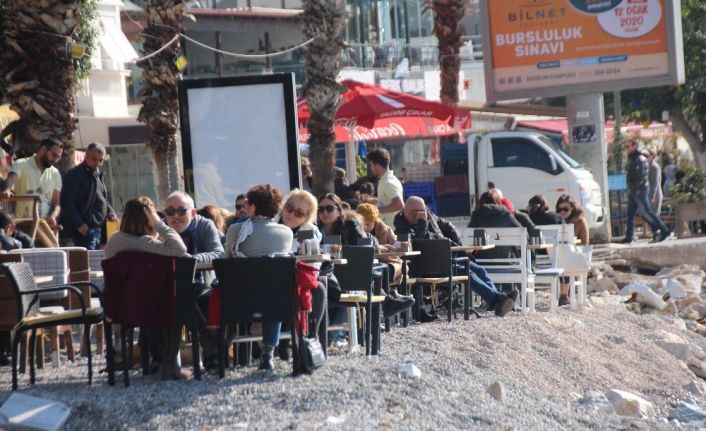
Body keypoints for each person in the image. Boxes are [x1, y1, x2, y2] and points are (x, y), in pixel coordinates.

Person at [104, 196, 188, 380]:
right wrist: (158, 224)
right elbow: (180, 249)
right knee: (176, 306)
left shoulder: (114, 241)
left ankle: (156, 360)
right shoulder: (146, 243)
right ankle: (170, 364)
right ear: (148, 219)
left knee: (151, 301)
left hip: (118, 307)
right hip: (150, 308)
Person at [395, 196, 514, 317]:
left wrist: (460, 245)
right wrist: (422, 222)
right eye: (420, 212)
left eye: (424, 210)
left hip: (444, 259)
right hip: (427, 267)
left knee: (479, 269)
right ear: (410, 212)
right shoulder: (401, 226)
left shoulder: (428, 216)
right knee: (468, 273)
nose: (424, 213)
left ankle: (497, 299)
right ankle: (496, 299)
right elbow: (416, 243)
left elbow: (447, 226)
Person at [224, 184, 293, 370]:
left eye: (247, 204)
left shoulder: (235, 230)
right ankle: (268, 353)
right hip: (276, 302)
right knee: (273, 288)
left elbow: (227, 259)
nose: (244, 207)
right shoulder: (286, 233)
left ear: (254, 207)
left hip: (239, 299)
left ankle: (222, 352)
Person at [317, 192, 413, 321]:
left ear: (339, 211)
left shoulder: (350, 224)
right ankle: (388, 300)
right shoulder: (316, 230)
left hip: (350, 274)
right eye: (321, 209)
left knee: (377, 269)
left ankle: (387, 300)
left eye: (329, 208)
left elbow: (363, 251)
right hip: (327, 275)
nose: (325, 213)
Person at [274, 188, 327, 356]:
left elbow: (315, 268)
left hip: (297, 280)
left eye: (299, 213)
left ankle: (310, 339)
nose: (291, 214)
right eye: (289, 208)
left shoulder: (312, 234)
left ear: (306, 218)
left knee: (318, 288)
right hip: (271, 280)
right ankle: (282, 342)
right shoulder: (270, 226)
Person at [59, 142, 116, 249]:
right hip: (83, 232)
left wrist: (110, 211)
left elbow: (102, 199)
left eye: (101, 160)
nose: (98, 163)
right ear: (86, 156)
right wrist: (80, 225)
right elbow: (67, 202)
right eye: (94, 159)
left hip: (99, 231)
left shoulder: (98, 174)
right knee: (86, 263)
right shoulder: (74, 175)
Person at [1, 139, 63, 227]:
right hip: (20, 225)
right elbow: (11, 178)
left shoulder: (55, 174)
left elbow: (56, 203)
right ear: (43, 149)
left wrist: (52, 216)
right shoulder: (21, 164)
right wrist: (7, 189)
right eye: (53, 155)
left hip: (43, 227)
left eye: (58, 157)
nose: (55, 160)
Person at [623, 139, 671, 243]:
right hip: (634, 190)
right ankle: (629, 237)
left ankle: (664, 230)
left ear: (635, 146)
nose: (626, 149)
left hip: (639, 190)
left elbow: (641, 177)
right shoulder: (633, 158)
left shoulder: (639, 159)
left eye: (628, 146)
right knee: (631, 214)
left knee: (647, 212)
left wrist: (635, 189)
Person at [556, 194, 589, 306]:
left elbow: (585, 242)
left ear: (573, 209)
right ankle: (564, 296)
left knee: (565, 260)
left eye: (566, 209)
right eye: (559, 209)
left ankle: (564, 296)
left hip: (576, 254)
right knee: (562, 259)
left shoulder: (579, 220)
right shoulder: (557, 220)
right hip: (561, 256)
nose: (562, 212)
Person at [367, 148, 404, 227]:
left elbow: (399, 204)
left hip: (393, 231)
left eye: (371, 165)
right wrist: (374, 201)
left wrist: (377, 210)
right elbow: (387, 200)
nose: (371, 168)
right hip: (389, 229)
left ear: (377, 166)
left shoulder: (388, 182)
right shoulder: (385, 180)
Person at [647, 149, 664, 239]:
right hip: (652, 193)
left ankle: (660, 233)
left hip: (655, 194)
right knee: (653, 215)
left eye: (647, 155)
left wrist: (652, 195)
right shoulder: (649, 166)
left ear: (652, 156)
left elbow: (655, 183)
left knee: (655, 214)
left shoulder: (654, 166)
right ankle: (657, 234)